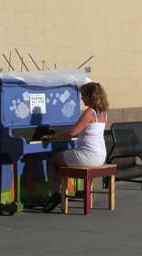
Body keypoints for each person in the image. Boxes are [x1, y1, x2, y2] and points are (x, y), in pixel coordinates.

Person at [40, 82, 109, 212]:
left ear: (91, 96)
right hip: (100, 155)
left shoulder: (89, 112)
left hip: (88, 155)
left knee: (52, 160)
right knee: (62, 156)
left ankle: (55, 193)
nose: (81, 98)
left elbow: (72, 132)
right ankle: (60, 192)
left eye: (83, 95)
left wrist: (51, 137)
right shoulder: (102, 113)